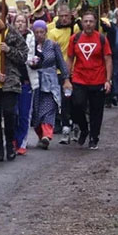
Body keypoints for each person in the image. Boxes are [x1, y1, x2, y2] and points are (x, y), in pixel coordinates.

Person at [66, 9, 112, 150]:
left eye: (91, 21)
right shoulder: (75, 38)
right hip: (79, 79)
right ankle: (83, 128)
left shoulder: (101, 39)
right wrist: (66, 79)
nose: (88, 24)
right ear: (82, 23)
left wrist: (108, 80)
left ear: (95, 23)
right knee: (76, 105)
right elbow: (69, 58)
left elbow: (108, 59)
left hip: (97, 79)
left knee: (96, 111)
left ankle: (94, 137)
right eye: (85, 21)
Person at [0, 2, 28, 162]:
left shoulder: (11, 33)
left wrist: (9, 51)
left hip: (10, 82)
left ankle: (10, 146)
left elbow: (24, 54)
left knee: (10, 114)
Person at [27, 20, 69, 149]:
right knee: (36, 110)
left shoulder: (53, 45)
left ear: (46, 32)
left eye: (42, 32)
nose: (39, 35)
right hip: (35, 81)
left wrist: (66, 78)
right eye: (36, 32)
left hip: (50, 81)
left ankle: (47, 135)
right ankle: (41, 135)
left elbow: (61, 62)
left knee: (49, 107)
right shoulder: (30, 47)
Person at [47, 3, 79, 138]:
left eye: (67, 16)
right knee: (63, 99)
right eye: (62, 16)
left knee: (76, 99)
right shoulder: (53, 33)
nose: (64, 19)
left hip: (76, 70)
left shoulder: (75, 28)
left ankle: (76, 121)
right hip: (60, 72)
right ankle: (64, 123)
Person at [13, 14, 34, 154]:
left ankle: (22, 142)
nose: (20, 24)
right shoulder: (9, 38)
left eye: (22, 21)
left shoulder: (31, 39)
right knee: (12, 113)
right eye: (17, 21)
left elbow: (33, 57)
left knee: (24, 114)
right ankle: (13, 140)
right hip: (12, 82)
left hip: (27, 81)